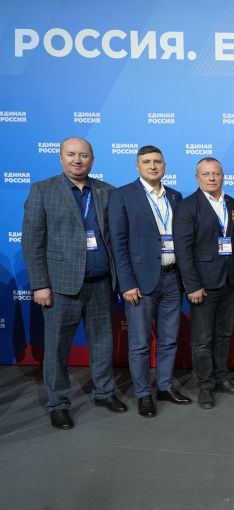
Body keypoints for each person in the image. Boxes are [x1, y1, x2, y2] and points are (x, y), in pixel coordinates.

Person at [22, 137, 127, 430]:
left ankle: (104, 392)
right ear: (61, 158)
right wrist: (39, 284)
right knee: (57, 348)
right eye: (71, 154)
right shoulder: (43, 190)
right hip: (60, 286)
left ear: (92, 160)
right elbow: (32, 241)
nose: (77, 160)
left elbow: (116, 239)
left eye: (83, 155)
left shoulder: (107, 191)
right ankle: (58, 404)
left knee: (103, 342)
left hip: (101, 283)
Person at [108, 145, 191, 418]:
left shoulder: (175, 196)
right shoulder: (122, 196)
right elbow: (118, 244)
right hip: (140, 283)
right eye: (146, 162)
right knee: (140, 343)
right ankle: (144, 393)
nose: (153, 166)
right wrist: (126, 283)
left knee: (169, 339)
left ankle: (164, 386)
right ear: (137, 166)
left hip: (172, 279)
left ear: (164, 165)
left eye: (157, 161)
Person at [174, 158, 234, 409]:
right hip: (202, 284)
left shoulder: (233, 204)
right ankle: (205, 385)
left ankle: (221, 378)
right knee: (202, 339)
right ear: (197, 178)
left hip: (229, 281)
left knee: (224, 335)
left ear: (223, 176)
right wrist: (191, 285)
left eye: (216, 173)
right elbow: (183, 250)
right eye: (206, 174)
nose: (212, 178)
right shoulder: (187, 206)